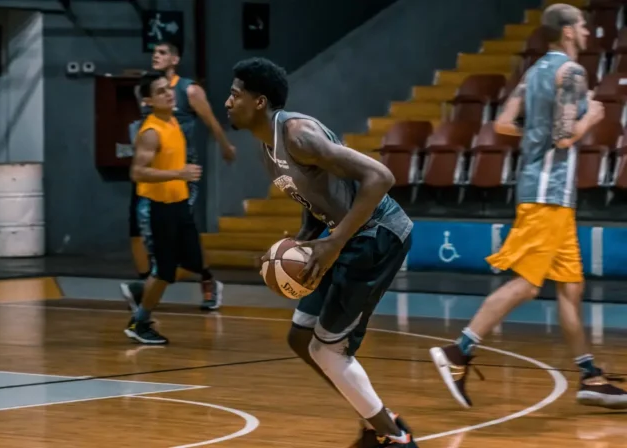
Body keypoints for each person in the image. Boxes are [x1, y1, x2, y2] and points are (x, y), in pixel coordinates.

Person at [429, 3, 627, 410]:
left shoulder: (533, 73)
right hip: (548, 195)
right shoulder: (571, 73)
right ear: (567, 31)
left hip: (546, 194)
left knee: (571, 287)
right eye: (582, 26)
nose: (587, 32)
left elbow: (503, 122)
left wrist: (538, 131)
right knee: (528, 284)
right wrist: (591, 118)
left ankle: (590, 377)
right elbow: (564, 136)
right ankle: (458, 351)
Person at [226, 57, 417, 447]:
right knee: (301, 339)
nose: (228, 102)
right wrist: (303, 238)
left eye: (235, 94)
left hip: (378, 235)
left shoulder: (299, 135)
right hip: (347, 236)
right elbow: (314, 196)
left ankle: (395, 437)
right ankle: (376, 421)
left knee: (328, 350)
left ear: (259, 102)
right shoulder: (268, 146)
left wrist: (333, 242)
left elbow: (381, 177)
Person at [123, 41, 234, 312]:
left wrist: (225, 146)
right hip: (155, 171)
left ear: (175, 59)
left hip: (181, 172)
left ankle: (205, 280)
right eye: (154, 52)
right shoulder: (151, 94)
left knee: (183, 237)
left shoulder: (187, 91)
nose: (155, 56)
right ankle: (145, 287)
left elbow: (211, 120)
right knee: (137, 233)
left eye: (162, 52)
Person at [126, 71, 222, 345]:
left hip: (178, 204)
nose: (168, 94)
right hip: (157, 207)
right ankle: (140, 321)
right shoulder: (151, 132)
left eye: (168, 89)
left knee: (194, 261)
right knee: (165, 269)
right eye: (160, 92)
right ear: (147, 101)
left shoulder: (173, 123)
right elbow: (137, 172)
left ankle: (142, 289)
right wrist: (178, 174)